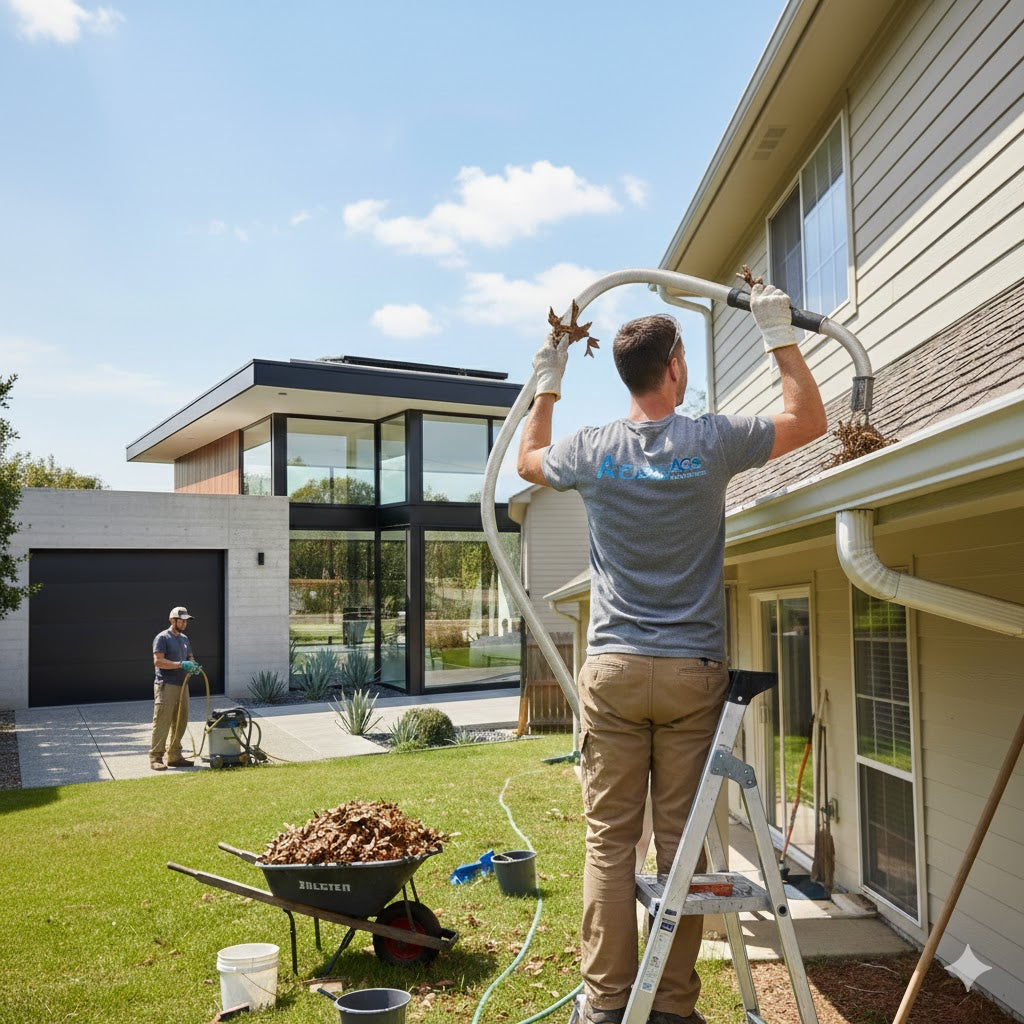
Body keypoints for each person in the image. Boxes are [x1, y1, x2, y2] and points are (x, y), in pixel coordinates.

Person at [517, 284, 826, 1024]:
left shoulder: (592, 449)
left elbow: (526, 461)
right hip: (692, 675)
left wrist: (548, 382)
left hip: (615, 671)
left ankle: (605, 1004)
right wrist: (777, 332)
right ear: (676, 368)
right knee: (682, 850)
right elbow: (809, 421)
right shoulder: (711, 441)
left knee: (608, 846)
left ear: (628, 375)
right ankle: (672, 1007)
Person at [149, 606, 202, 771]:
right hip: (166, 685)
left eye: (186, 621)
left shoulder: (184, 639)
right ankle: (156, 757)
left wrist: (193, 664)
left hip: (182, 685)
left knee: (181, 721)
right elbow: (158, 661)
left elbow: (190, 657)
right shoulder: (162, 638)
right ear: (172, 620)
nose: (185, 623)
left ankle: (174, 756)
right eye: (181, 620)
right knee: (162, 721)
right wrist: (180, 664)